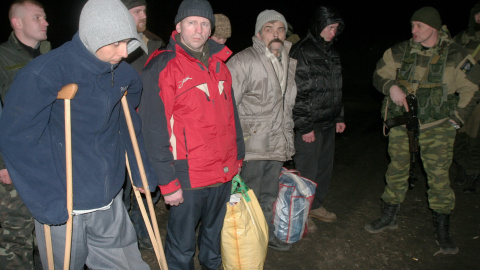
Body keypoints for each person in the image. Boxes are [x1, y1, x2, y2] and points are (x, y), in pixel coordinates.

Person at [0, 0, 159, 268]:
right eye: (115, 43)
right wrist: (46, 200)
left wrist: (140, 166)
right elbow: (18, 140)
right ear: (93, 36)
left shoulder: (121, 74)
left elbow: (128, 122)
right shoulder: (45, 73)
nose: (124, 52)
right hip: (65, 204)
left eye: (127, 42)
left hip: (109, 202)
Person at [138, 0, 245, 269]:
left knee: (213, 243)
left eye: (204, 23)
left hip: (222, 172)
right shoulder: (163, 66)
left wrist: (237, 160)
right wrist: (167, 181)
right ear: (178, 27)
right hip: (188, 177)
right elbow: (153, 130)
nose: (198, 29)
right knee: (182, 248)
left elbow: (233, 119)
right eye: (191, 22)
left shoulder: (221, 66)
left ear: (211, 29)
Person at [365, 6, 479, 255]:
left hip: (437, 128)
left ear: (435, 28)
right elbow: (378, 74)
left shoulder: (455, 55)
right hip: (402, 124)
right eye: (412, 25)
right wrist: (391, 86)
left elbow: (473, 87)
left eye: (420, 26)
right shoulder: (400, 51)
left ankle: (442, 229)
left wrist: (457, 119)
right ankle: (389, 216)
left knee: (438, 177)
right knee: (396, 170)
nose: (414, 30)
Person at [227, 9, 297, 251]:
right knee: (248, 197)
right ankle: (246, 244)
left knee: (269, 195)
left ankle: (264, 235)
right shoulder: (243, 60)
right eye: (269, 29)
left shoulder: (288, 62)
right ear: (259, 34)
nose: (275, 34)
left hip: (277, 143)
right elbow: (226, 107)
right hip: (252, 145)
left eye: (280, 29)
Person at [0, 0, 50, 268]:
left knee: (49, 231)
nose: (46, 22)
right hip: (16, 161)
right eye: (37, 18)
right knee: (16, 233)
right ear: (17, 23)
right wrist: (2, 163)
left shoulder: (51, 56)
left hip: (50, 159)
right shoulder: (2, 58)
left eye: (44, 17)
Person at [289, 6, 345, 230]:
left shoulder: (332, 52)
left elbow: (337, 88)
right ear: (319, 26)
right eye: (330, 27)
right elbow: (297, 92)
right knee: (307, 171)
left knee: (324, 168)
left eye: (336, 28)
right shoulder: (302, 50)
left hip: (328, 123)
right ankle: (302, 214)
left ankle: (316, 205)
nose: (333, 32)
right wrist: (304, 126)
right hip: (309, 126)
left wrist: (339, 116)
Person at [119, 0, 165, 251]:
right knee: (126, 182)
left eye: (145, 10)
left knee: (151, 176)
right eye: (137, 11)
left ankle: (144, 224)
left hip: (154, 121)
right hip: (128, 122)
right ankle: (126, 233)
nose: (144, 15)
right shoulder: (116, 46)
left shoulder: (155, 43)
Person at [452, 1, 480, 193]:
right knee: (457, 135)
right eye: (478, 14)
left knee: (475, 139)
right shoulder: (462, 37)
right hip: (460, 96)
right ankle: (462, 169)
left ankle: (472, 174)